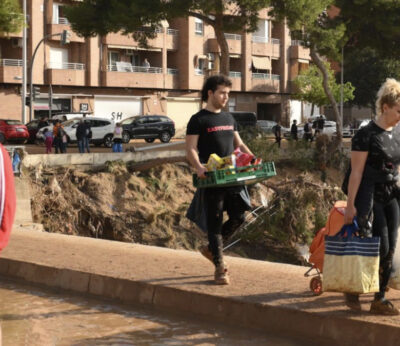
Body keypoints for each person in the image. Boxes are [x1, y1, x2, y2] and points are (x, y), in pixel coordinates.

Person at [186, 75, 253, 285]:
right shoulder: (198, 120)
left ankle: (210, 250)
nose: (226, 97)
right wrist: (199, 167)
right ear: (210, 93)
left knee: (239, 218)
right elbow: (190, 148)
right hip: (213, 179)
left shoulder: (228, 119)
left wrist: (253, 159)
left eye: (228, 94)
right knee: (214, 225)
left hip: (233, 177)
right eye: (222, 93)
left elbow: (239, 145)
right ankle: (220, 268)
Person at [343, 78, 400, 315]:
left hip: (391, 194)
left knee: (391, 247)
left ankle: (380, 298)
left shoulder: (397, 133)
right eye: (399, 110)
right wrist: (350, 207)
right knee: (380, 245)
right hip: (370, 195)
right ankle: (353, 288)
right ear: (385, 107)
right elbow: (356, 172)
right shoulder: (366, 134)